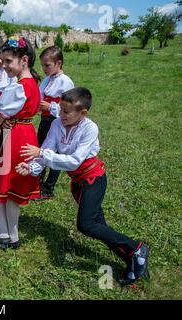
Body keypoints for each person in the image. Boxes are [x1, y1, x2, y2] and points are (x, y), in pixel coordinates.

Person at [16, 87, 150, 285]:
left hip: (93, 180)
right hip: (79, 183)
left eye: (66, 112)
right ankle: (134, 260)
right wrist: (31, 167)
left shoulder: (90, 128)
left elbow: (74, 161)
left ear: (83, 112)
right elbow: (46, 150)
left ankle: (137, 248)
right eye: (60, 109)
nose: (61, 114)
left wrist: (42, 155)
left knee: (86, 225)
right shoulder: (57, 125)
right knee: (99, 227)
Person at [0, 36, 41, 249]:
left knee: (0, 186)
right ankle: (10, 234)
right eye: (2, 61)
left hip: (12, 137)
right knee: (10, 186)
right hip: (24, 133)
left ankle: (4, 232)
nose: (3, 66)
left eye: (8, 61)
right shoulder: (31, 82)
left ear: (24, 60)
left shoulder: (17, 87)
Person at [37, 46, 75, 199]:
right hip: (45, 120)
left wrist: (51, 107)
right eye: (43, 65)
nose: (44, 69)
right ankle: (36, 181)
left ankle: (48, 188)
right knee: (41, 148)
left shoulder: (66, 82)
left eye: (47, 65)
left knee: (55, 153)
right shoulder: (47, 80)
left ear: (58, 63)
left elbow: (70, 108)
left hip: (58, 121)